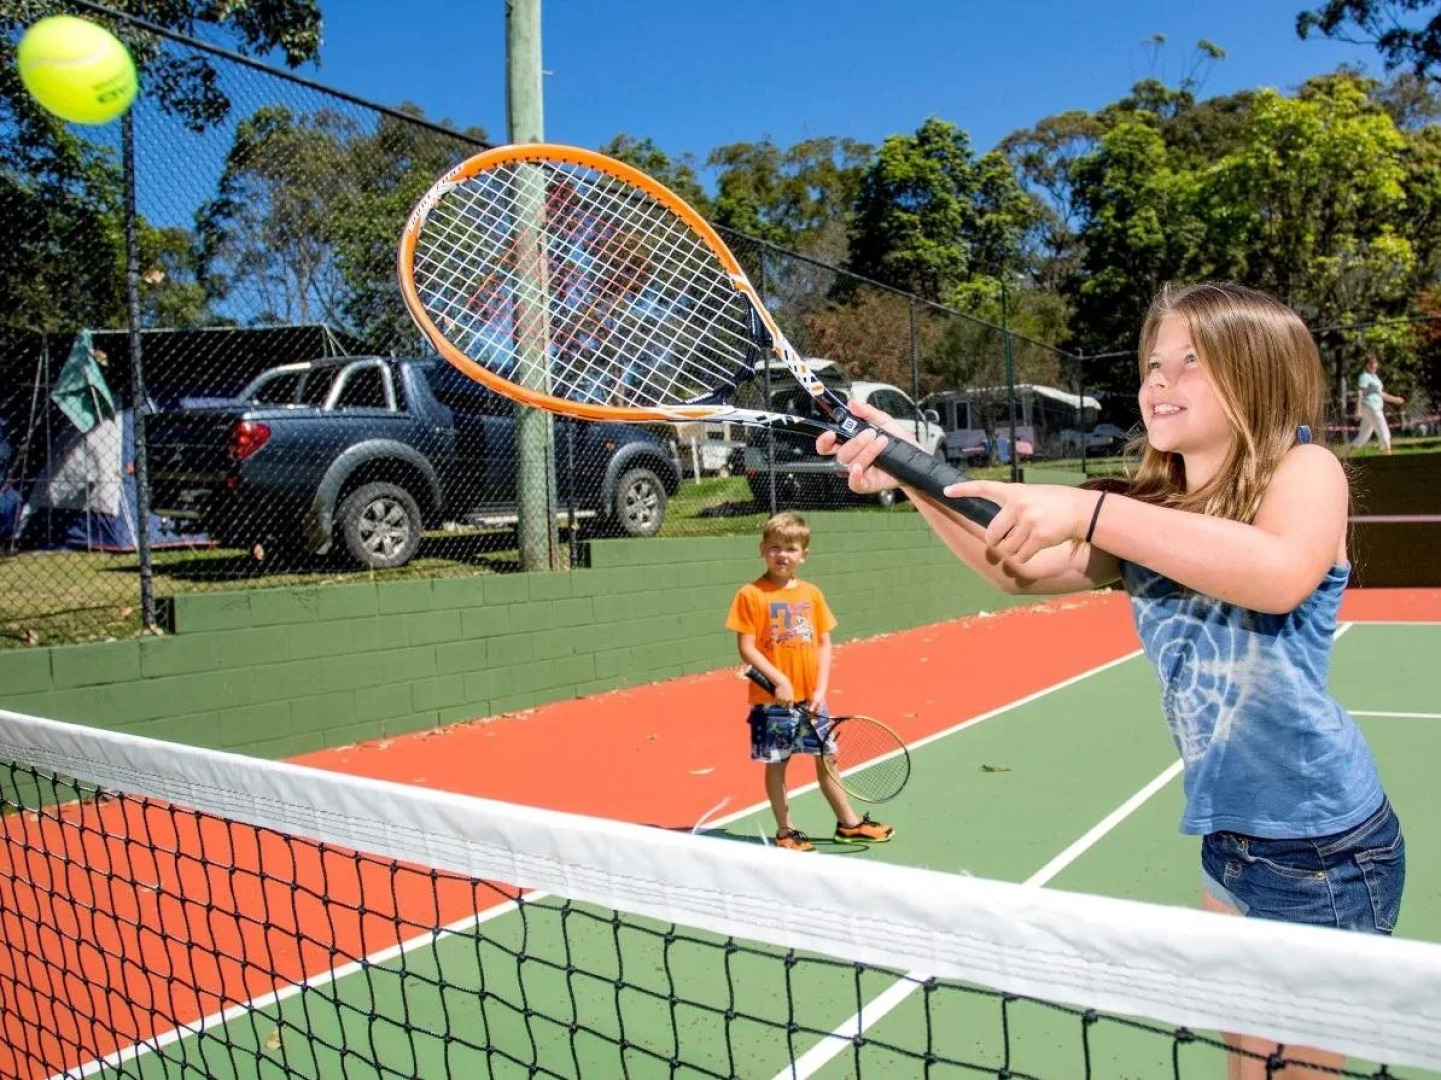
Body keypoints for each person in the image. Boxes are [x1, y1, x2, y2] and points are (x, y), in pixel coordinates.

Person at [818, 281, 1404, 1078]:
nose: (1158, 380)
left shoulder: (1305, 470)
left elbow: (1276, 575)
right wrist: (905, 468)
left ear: (1259, 373)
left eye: (1188, 362)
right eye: (1152, 363)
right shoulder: (1149, 506)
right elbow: (1018, 567)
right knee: (1245, 1063)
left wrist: (1089, 510)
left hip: (1320, 850)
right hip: (1229, 839)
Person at [725, 511, 894, 852]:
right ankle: (786, 830)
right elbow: (745, 649)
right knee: (778, 764)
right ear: (762, 550)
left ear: (804, 554)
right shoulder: (750, 594)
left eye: (790, 548)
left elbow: (823, 643)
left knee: (828, 758)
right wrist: (779, 681)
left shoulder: (812, 594)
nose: (782, 554)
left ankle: (849, 824)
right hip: (771, 703)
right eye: (775, 547)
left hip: (813, 700)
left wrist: (820, 690)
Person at [1351, 354, 1405, 455]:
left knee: (1364, 435)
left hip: (1374, 407)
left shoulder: (1375, 378)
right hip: (1371, 407)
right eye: (1370, 363)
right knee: (1383, 430)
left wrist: (1395, 399)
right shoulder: (1364, 377)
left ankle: (1349, 455)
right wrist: (1357, 410)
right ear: (1366, 365)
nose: (1373, 365)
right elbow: (1360, 393)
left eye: (1374, 363)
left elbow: (1381, 394)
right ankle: (1387, 454)